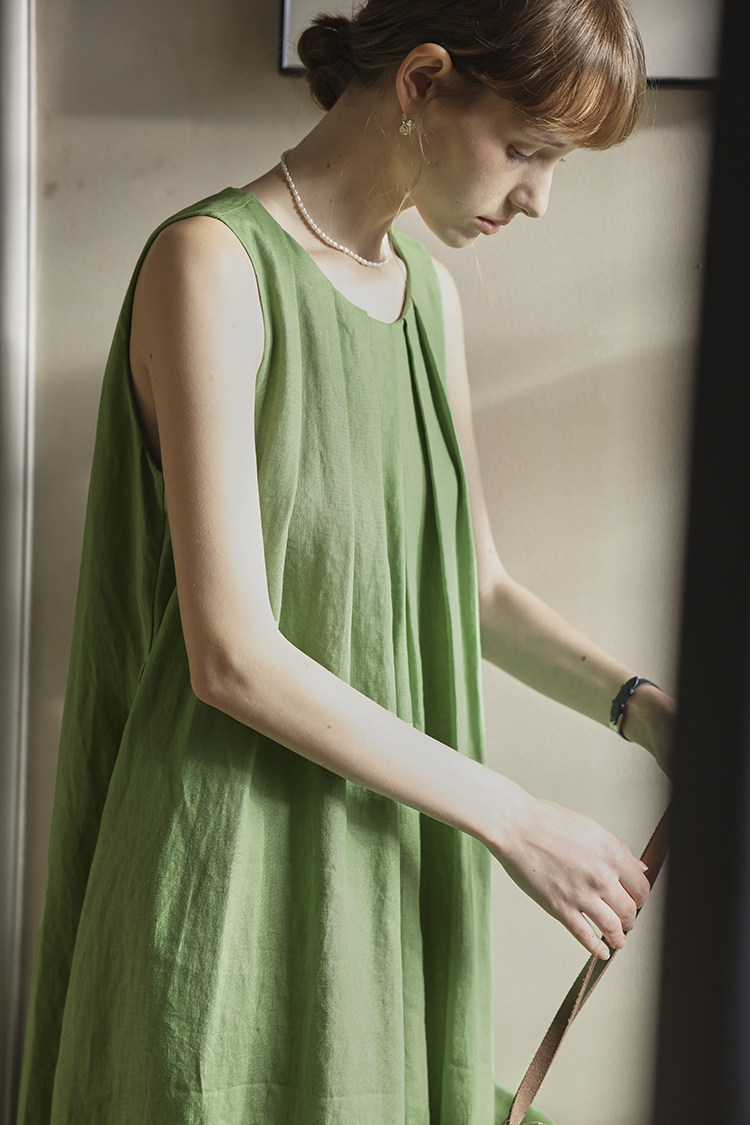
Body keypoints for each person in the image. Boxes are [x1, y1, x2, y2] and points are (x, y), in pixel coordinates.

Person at [17, 1, 676, 1122]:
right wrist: (517, 819)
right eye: (526, 149)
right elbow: (231, 653)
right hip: (222, 890)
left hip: (378, 883)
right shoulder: (211, 265)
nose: (538, 198)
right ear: (422, 81)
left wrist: (641, 707)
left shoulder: (427, 301)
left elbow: (475, 588)